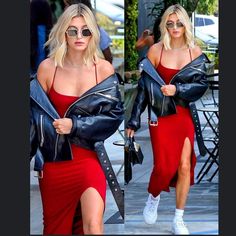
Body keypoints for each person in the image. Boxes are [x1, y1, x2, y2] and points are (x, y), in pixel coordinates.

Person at [30, 3, 123, 235]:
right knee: (55, 230)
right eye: (73, 30)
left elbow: (114, 115)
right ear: (63, 33)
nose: (79, 36)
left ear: (93, 33)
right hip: (55, 163)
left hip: (89, 158)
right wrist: (37, 159)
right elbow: (34, 119)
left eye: (86, 30)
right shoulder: (47, 69)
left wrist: (75, 125)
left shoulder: (102, 69)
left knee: (93, 226)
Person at [126, 4, 210, 235]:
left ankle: (178, 218)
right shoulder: (156, 50)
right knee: (164, 167)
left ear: (186, 25)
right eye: (170, 23)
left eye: (179, 23)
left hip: (183, 115)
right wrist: (133, 122)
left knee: (184, 165)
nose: (175, 27)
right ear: (165, 25)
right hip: (160, 115)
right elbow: (143, 87)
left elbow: (201, 85)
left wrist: (178, 90)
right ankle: (153, 196)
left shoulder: (195, 51)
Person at [30, 0, 53, 77]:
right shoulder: (44, 3)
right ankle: (41, 72)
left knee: (38, 52)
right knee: (42, 52)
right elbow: (49, 19)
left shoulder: (34, 3)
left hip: (36, 29)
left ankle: (38, 72)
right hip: (42, 30)